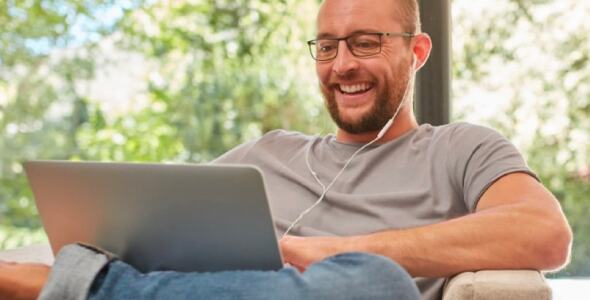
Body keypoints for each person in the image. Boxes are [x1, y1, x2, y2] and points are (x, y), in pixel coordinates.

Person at [0, 0, 572, 299]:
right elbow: (148, 231)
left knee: (378, 284)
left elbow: (543, 234)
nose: (342, 64)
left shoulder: (461, 148)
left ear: (417, 51)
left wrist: (323, 252)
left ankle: (76, 293)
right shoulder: (265, 154)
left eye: (365, 43)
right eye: (327, 46)